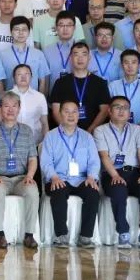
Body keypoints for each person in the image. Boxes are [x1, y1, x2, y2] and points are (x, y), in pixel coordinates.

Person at [94, 96, 140, 249]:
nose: (121, 111)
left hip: (135, 173)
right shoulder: (100, 130)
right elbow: (104, 156)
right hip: (112, 172)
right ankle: (123, 233)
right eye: (117, 107)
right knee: (118, 190)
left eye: (125, 108)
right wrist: (115, 175)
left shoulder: (138, 130)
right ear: (109, 111)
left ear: (129, 112)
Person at [0, 92, 39, 250]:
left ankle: (29, 235)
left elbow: (33, 158)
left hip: (21, 178)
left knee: (32, 190)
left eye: (14, 106)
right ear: (0, 109)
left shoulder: (26, 130)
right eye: (6, 106)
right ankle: (0, 235)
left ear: (19, 108)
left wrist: (30, 176)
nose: (10, 109)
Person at [41, 100, 100, 247]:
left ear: (79, 115)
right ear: (60, 114)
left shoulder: (87, 137)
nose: (71, 115)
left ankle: (86, 236)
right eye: (66, 111)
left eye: (74, 111)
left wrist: (91, 177)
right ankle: (61, 236)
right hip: (58, 178)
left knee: (93, 192)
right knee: (58, 191)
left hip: (82, 179)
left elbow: (94, 161)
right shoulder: (51, 136)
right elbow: (46, 162)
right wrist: (54, 177)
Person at [49, 42, 111, 131]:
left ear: (89, 58)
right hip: (66, 132)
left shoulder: (100, 83)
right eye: (76, 54)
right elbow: (55, 111)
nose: (80, 58)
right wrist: (67, 130)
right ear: (71, 58)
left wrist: (90, 130)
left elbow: (104, 111)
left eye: (84, 54)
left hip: (93, 132)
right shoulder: (60, 82)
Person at [0, 17, 49, 92]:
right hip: (11, 98)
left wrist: (41, 98)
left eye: (24, 29)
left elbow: (42, 81)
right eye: (17, 29)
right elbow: (0, 82)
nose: (21, 33)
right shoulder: (2, 55)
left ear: (29, 32)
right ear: (11, 32)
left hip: (33, 98)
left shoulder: (38, 54)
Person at [11, 64, 49, 146]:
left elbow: (44, 123)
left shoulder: (40, 97)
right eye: (19, 74)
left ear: (31, 77)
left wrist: (46, 144)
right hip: (11, 143)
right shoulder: (7, 96)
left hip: (35, 143)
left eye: (27, 74)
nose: (23, 77)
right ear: (14, 78)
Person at [42, 11, 81, 90]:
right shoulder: (47, 51)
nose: (65, 29)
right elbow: (46, 80)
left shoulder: (82, 51)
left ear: (74, 28)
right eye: (61, 25)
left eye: (69, 25)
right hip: (54, 95)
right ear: (56, 28)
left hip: (77, 94)